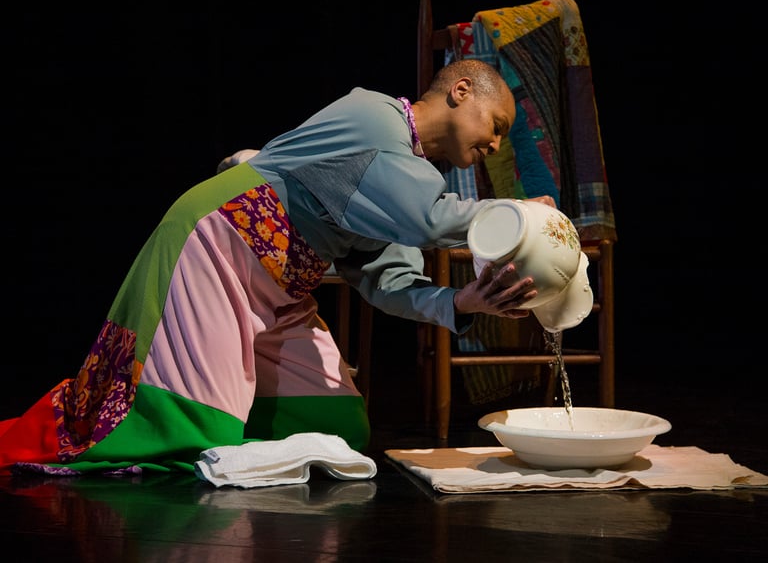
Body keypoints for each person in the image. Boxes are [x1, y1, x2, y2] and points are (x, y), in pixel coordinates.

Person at [0, 59, 555, 476]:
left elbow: (389, 282)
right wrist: (515, 215)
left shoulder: (412, 183)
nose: (497, 143)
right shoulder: (374, 117)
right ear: (461, 91)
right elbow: (429, 221)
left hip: (281, 290)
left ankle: (232, 424)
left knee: (339, 427)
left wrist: (461, 303)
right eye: (497, 123)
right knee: (193, 434)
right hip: (219, 251)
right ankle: (209, 424)